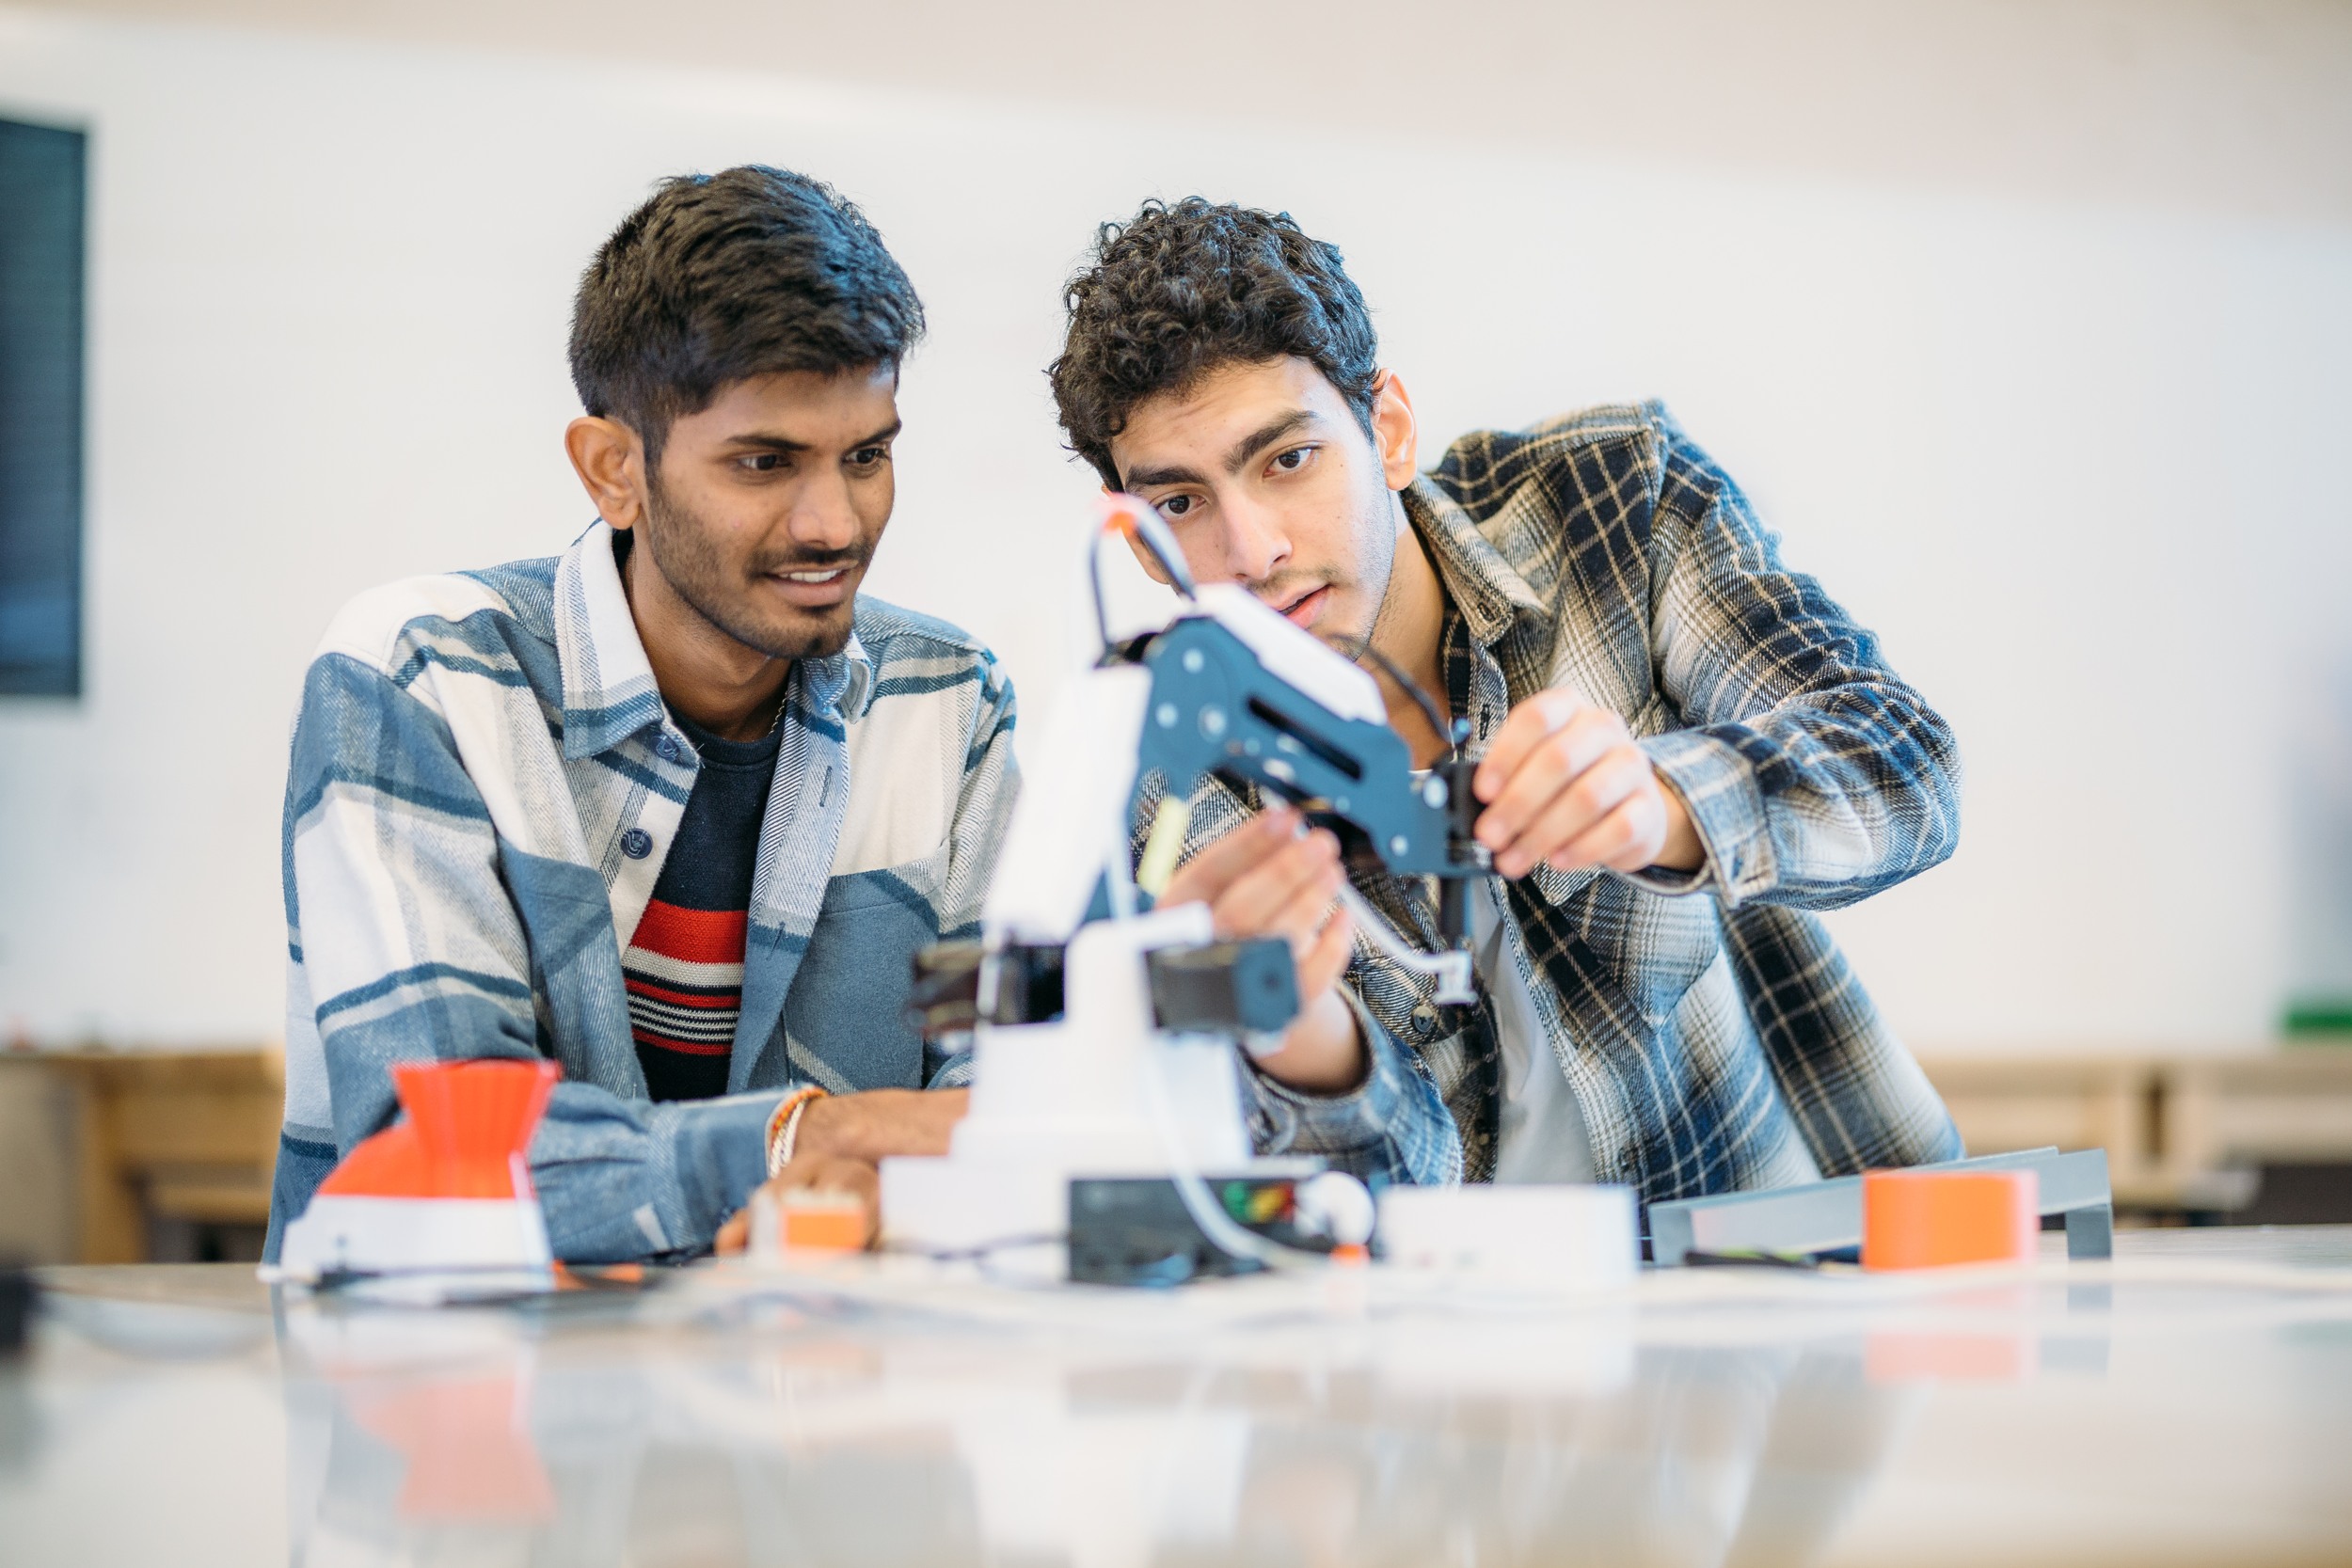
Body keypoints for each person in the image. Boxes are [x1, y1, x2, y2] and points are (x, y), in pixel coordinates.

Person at [1048, 198, 1966, 1200]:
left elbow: (1903, 767)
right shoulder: (1166, 770)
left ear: (1387, 431)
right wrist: (1299, 1032)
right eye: (1181, 503)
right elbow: (1377, 1192)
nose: (1252, 550)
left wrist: (1659, 805)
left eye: (1288, 458)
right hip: (1457, 1328)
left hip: (1784, 1259)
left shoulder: (1612, 499)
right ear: (1139, 542)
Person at [265, 166, 1009, 1262]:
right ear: (614, 469)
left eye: (867, 455)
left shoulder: (947, 703)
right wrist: (811, 1137)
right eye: (765, 462)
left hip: (825, 1402)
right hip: (461, 1409)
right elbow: (439, 1156)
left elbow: (1010, 1105)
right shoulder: (421, 678)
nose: (833, 521)